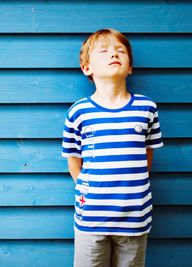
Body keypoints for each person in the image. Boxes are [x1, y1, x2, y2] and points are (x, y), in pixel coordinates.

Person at [61, 28, 163, 267]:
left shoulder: (146, 108)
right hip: (92, 219)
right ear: (88, 68)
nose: (113, 55)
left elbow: (147, 155)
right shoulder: (79, 112)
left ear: (129, 67)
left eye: (120, 51)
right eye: (104, 51)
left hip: (134, 218)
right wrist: (92, 194)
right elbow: (74, 161)